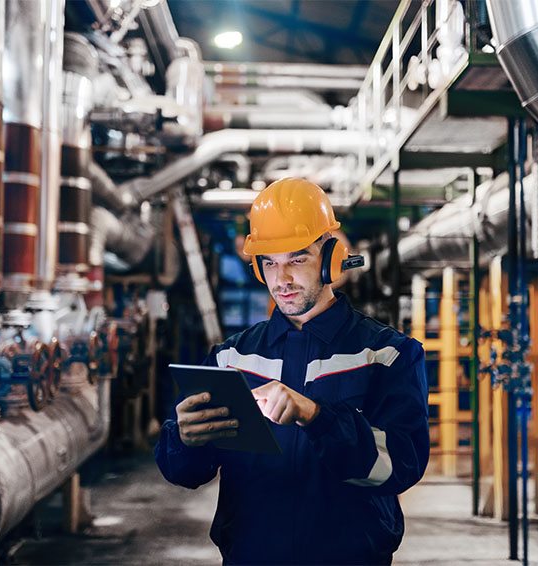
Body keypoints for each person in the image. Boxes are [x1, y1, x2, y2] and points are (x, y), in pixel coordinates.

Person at [155, 177, 429, 565]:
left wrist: (316, 416)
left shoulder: (386, 355)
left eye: (296, 260)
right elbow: (186, 472)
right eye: (269, 263)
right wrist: (184, 440)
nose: (280, 280)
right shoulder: (230, 358)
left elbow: (401, 466)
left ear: (332, 259)